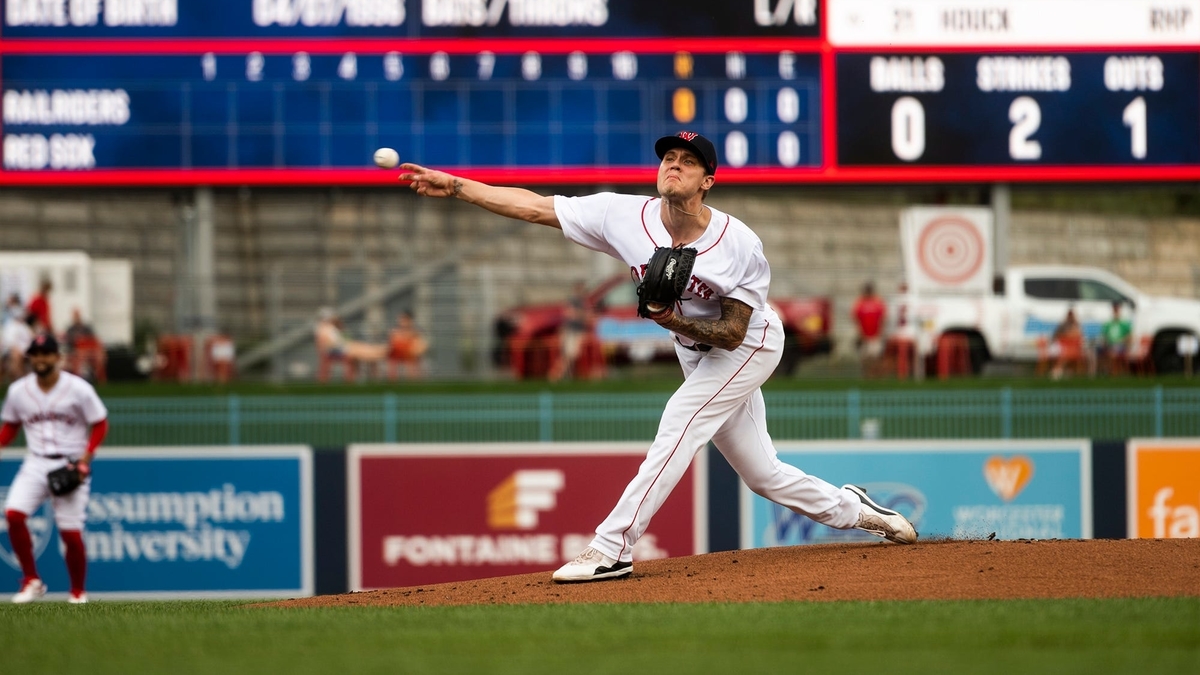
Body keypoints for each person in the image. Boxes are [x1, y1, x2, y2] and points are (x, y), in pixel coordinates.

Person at [400, 131, 917, 584]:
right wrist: (458, 187)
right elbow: (536, 207)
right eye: (668, 156)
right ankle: (859, 510)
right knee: (763, 474)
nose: (673, 164)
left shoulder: (738, 243)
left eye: (688, 161)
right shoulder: (621, 215)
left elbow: (734, 332)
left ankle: (611, 548)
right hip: (695, 354)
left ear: (707, 182)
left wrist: (670, 319)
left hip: (750, 344)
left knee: (680, 421)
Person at [1, 333, 109, 604]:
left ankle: (77, 593)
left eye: (46, 353)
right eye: (35, 354)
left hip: (70, 461)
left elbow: (100, 422)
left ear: (58, 357)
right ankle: (31, 580)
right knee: (13, 514)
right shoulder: (18, 391)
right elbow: (11, 426)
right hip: (36, 461)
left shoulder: (78, 388)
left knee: (71, 533)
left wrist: (85, 459)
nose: (40, 359)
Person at [314, 307, 387, 381]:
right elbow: (326, 344)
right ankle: (380, 352)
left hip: (342, 347)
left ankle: (378, 352)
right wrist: (342, 343)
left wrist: (341, 329)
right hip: (334, 350)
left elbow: (346, 337)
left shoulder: (333, 328)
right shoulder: (322, 328)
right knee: (359, 349)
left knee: (359, 346)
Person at [548, 281, 591, 382]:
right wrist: (584, 315)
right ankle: (555, 375)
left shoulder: (581, 302)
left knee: (571, 355)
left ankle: (566, 375)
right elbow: (571, 313)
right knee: (568, 355)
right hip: (571, 331)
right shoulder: (573, 301)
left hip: (577, 330)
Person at [851, 282, 887, 378]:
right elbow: (855, 318)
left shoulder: (878, 302)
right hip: (864, 335)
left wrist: (881, 332)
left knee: (876, 356)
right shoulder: (860, 303)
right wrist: (859, 332)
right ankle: (866, 375)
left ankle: (876, 374)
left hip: (876, 334)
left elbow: (883, 318)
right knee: (865, 356)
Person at [63, 308, 106, 383]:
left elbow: (93, 339)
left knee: (99, 356)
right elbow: (67, 343)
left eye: (78, 315)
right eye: (75, 316)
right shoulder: (70, 329)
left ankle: (100, 378)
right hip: (75, 352)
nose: (77, 317)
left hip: (89, 352)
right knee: (79, 356)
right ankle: (77, 379)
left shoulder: (86, 328)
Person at [387, 312, 428, 380]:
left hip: (410, 353)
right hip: (397, 353)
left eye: (404, 319)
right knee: (393, 362)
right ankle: (392, 380)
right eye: (401, 319)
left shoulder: (415, 331)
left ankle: (414, 380)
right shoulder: (395, 331)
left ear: (409, 320)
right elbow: (392, 342)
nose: (402, 321)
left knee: (412, 363)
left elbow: (420, 343)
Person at [1097, 302, 1132, 375]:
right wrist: (1106, 343)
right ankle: (1102, 371)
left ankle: (1113, 372)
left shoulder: (1124, 324)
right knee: (1097, 350)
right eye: (1114, 310)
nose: (1115, 312)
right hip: (1109, 345)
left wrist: (1122, 342)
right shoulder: (1108, 324)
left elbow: (1129, 337)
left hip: (1121, 345)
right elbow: (1104, 336)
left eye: (1117, 310)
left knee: (1113, 352)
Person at [1050, 307, 1085, 380]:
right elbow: (1057, 336)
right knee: (1064, 354)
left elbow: (1079, 336)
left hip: (1073, 347)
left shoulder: (1077, 325)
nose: (1071, 317)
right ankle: (1057, 370)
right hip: (1062, 346)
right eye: (1070, 315)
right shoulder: (1062, 325)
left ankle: (1067, 371)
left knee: (1071, 353)